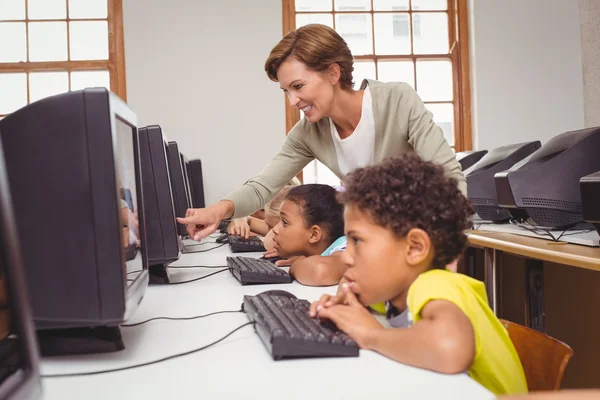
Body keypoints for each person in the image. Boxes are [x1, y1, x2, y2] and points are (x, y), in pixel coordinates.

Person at [177, 24, 465, 241]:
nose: (293, 101)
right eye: (286, 91)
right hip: (375, 249)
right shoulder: (307, 133)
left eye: (298, 87)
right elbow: (262, 187)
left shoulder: (396, 100)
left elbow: (450, 177)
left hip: (423, 241)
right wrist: (219, 210)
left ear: (333, 73)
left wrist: (443, 245)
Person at [310, 155, 527, 396]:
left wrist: (371, 334)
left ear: (414, 248)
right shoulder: (397, 291)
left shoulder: (434, 283)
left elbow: (450, 347)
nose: (346, 257)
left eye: (357, 240)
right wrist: (348, 302)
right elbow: (360, 295)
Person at [266, 184, 347, 285]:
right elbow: (268, 243)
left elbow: (320, 271)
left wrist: (296, 265)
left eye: (285, 222)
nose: (275, 229)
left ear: (314, 234)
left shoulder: (345, 246)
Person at [227, 177, 301, 240]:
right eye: (269, 227)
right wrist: (240, 219)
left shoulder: (278, 225)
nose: (273, 231)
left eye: (284, 223)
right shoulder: (275, 226)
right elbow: (249, 220)